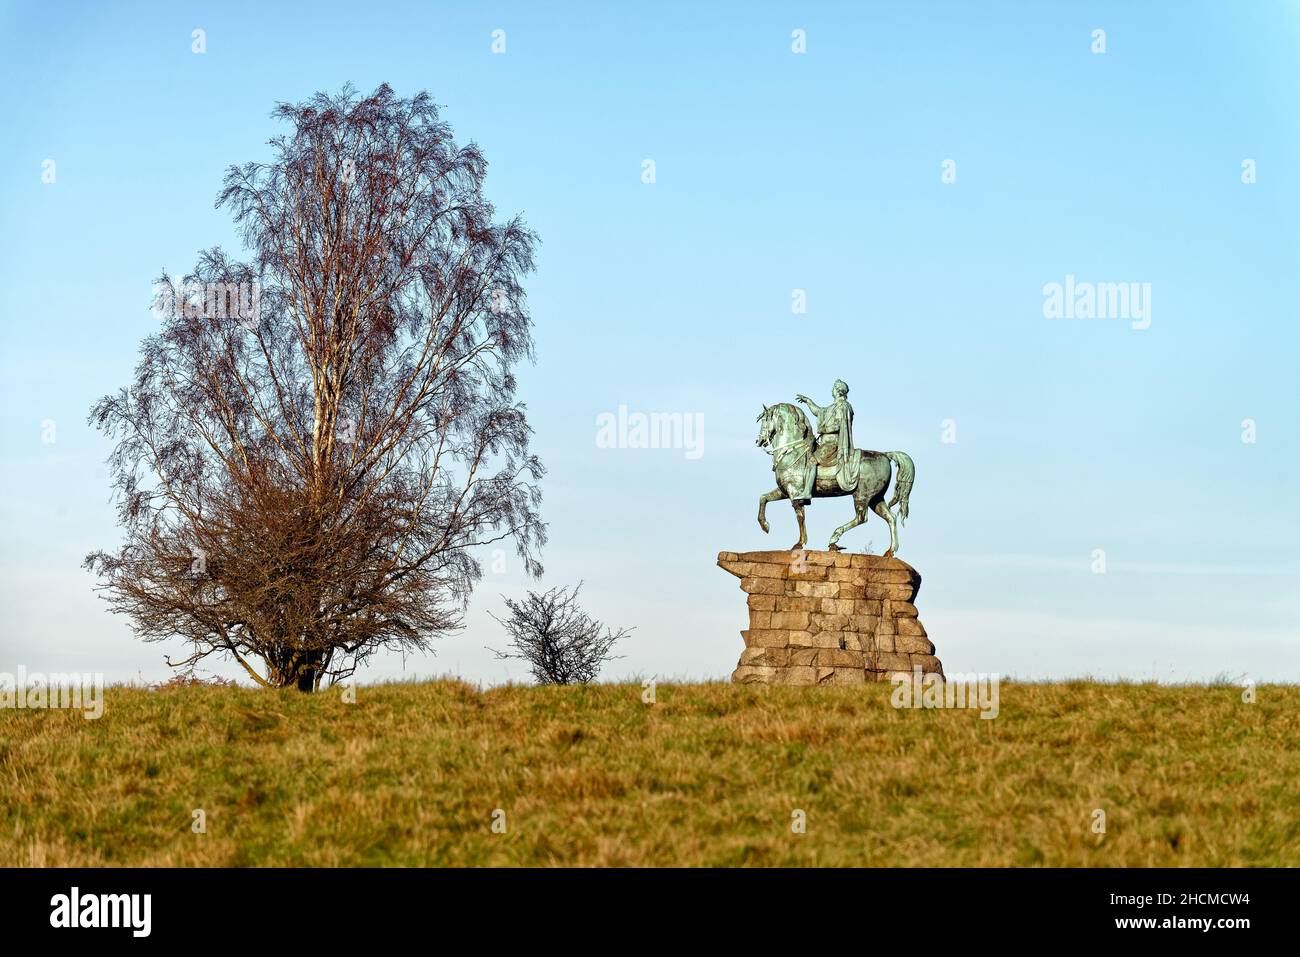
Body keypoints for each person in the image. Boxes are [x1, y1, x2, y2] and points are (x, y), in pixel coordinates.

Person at [793, 380, 856, 503]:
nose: (831, 390)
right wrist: (808, 402)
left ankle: (807, 493)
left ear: (838, 391)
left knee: (811, 461)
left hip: (833, 444)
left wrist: (823, 429)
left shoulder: (843, 406)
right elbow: (819, 412)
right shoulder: (833, 407)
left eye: (833, 388)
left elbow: (839, 425)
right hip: (826, 443)